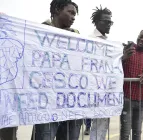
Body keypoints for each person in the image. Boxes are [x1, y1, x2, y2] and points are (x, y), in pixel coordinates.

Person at [31, 0, 82, 140]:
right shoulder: (38, 31)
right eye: (70, 12)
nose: (73, 17)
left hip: (70, 101)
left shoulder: (77, 35)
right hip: (46, 102)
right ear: (58, 9)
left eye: (75, 15)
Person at [120, 29, 143, 140]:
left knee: (137, 132)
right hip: (126, 98)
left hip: (140, 99)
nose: (142, 39)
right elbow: (116, 66)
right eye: (141, 36)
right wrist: (123, 57)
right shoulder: (127, 49)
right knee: (125, 132)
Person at [88, 5, 113, 140]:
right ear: (97, 22)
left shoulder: (109, 43)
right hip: (91, 89)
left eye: (111, 22)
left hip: (104, 91)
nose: (109, 24)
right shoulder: (89, 40)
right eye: (106, 21)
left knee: (101, 125)